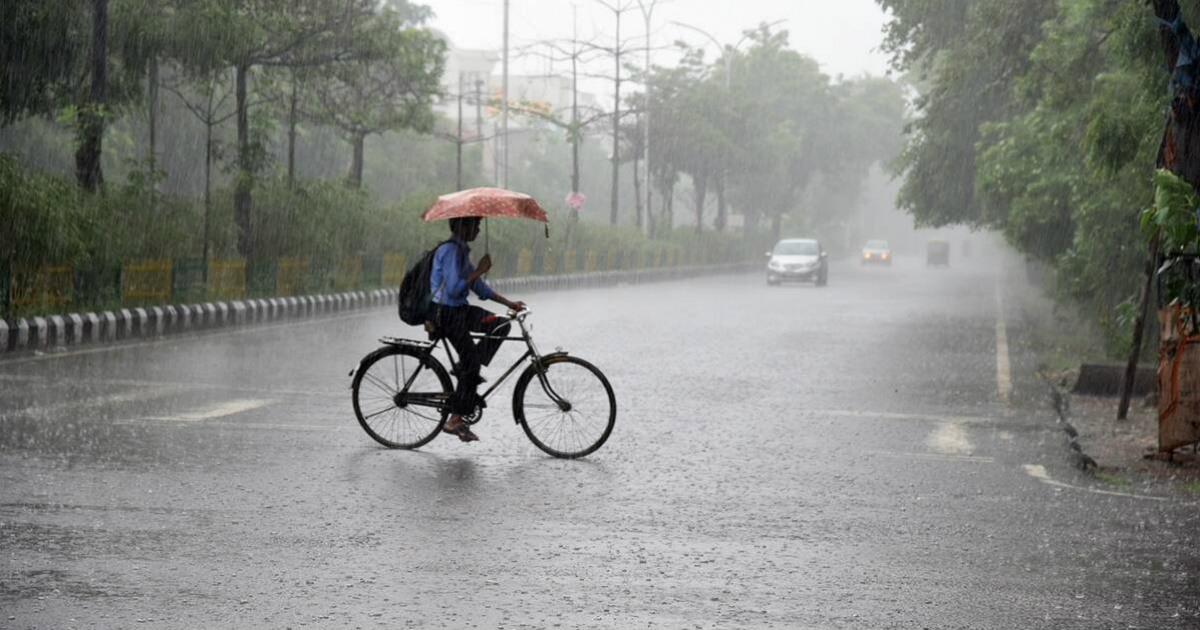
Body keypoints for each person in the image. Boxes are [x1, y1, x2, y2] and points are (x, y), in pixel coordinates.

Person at [431, 216, 525, 442]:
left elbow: (478, 288)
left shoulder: (460, 251)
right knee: (472, 363)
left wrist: (509, 304)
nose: (479, 230)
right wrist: (480, 270)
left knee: (500, 323)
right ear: (463, 226)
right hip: (446, 313)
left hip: (459, 310)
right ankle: (454, 419)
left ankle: (466, 369)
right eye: (476, 225)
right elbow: (454, 289)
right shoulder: (451, 251)